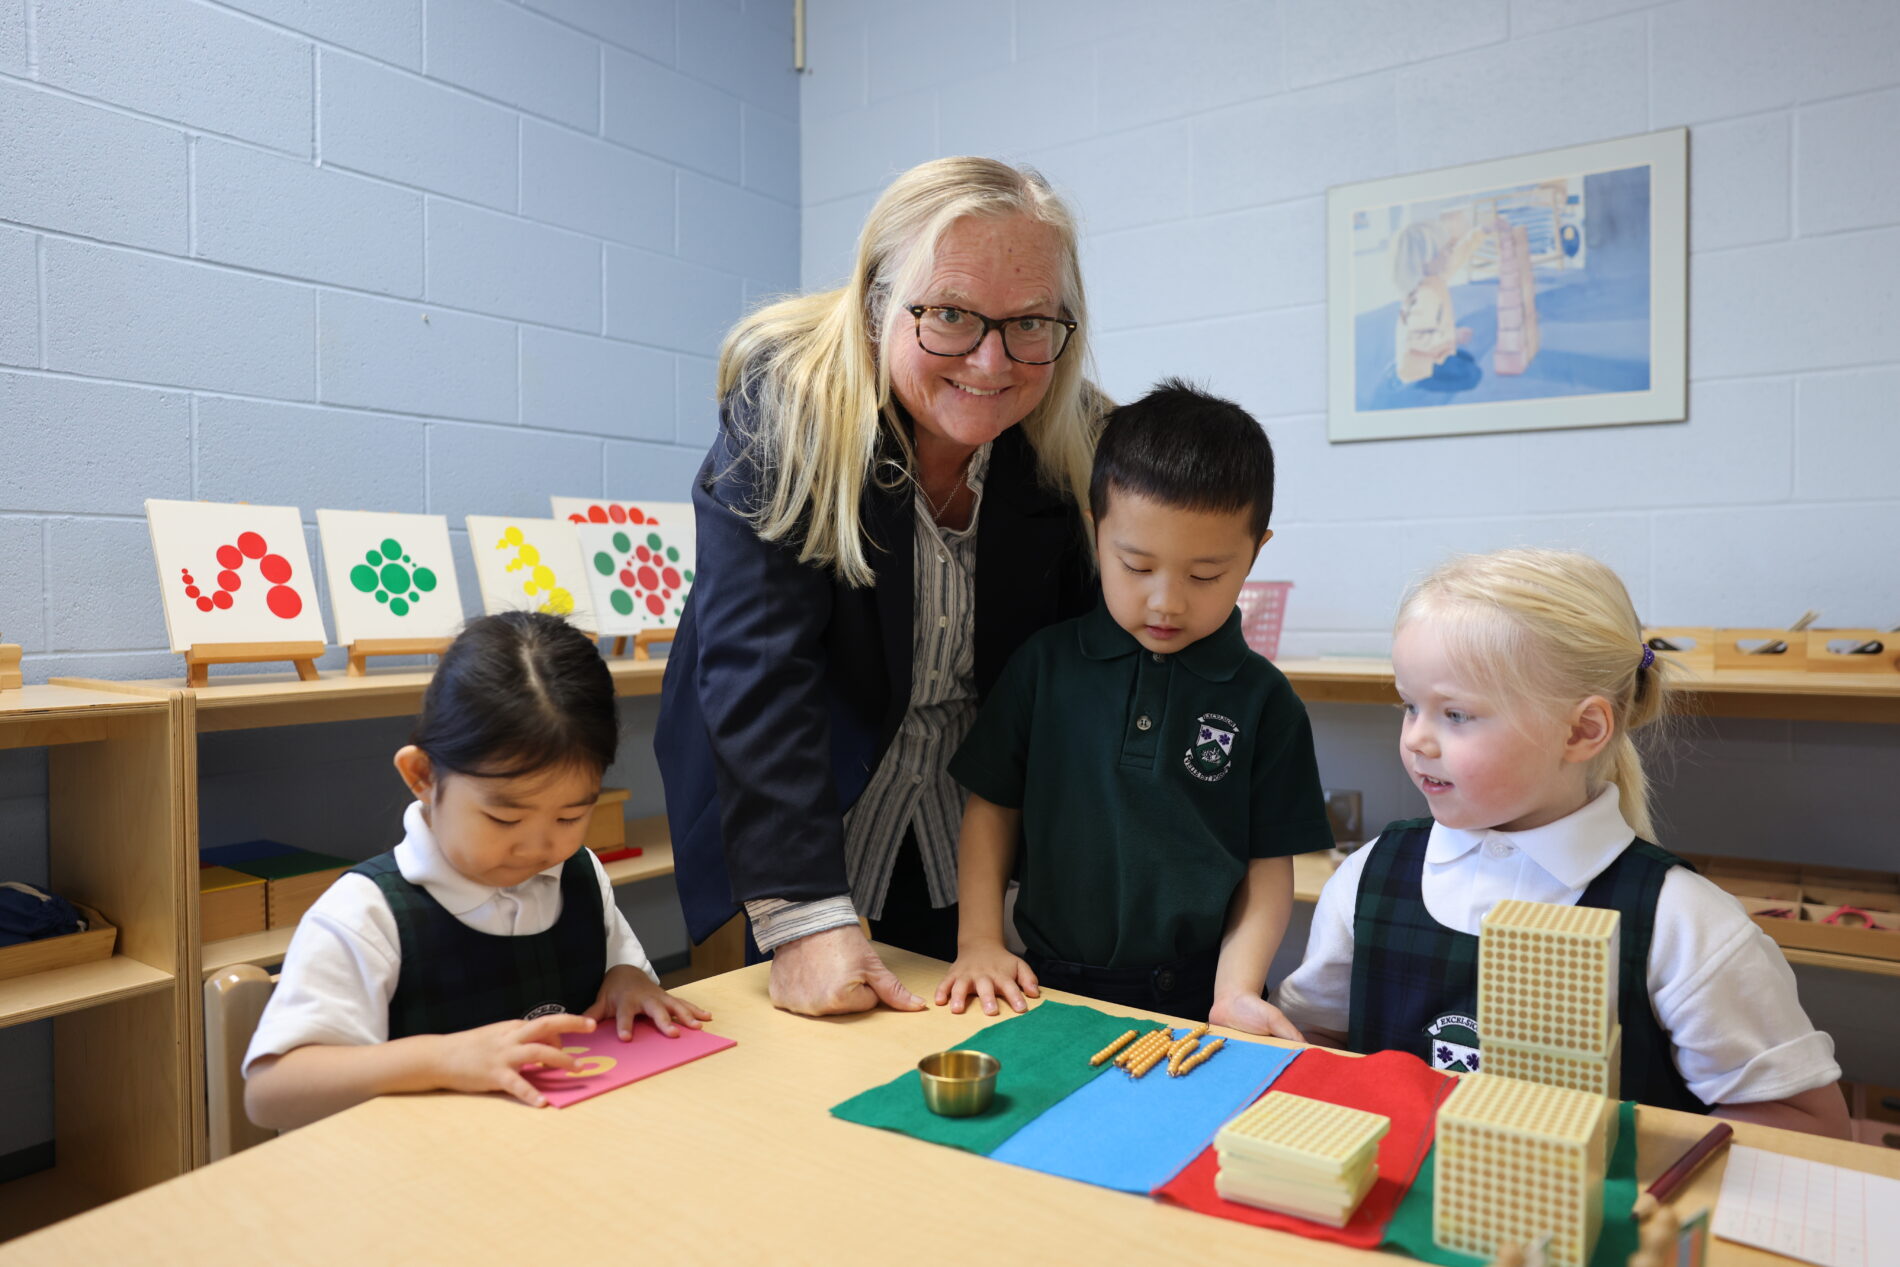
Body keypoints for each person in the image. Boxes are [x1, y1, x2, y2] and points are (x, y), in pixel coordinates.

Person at [655, 158, 1106, 1017]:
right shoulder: (789, 409)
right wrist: (803, 918)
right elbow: (758, 673)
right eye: (948, 315)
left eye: (1030, 323)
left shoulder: (1070, 440)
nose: (991, 358)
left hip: (957, 835)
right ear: (874, 307)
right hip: (792, 814)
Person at [1277, 549, 1849, 1138]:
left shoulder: (1684, 922)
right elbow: (1319, 1035)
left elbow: (1805, 1122)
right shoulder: (1371, 873)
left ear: (1581, 730)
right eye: (1409, 706)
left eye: (1456, 714)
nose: (1418, 740)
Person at [935, 381, 1332, 1032]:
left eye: (1205, 575)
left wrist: (1235, 989)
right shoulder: (1044, 666)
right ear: (1096, 534)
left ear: (1256, 549)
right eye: (1137, 566)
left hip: (1202, 998)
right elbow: (991, 808)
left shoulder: (1265, 701)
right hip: (1048, 983)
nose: (1166, 602)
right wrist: (979, 941)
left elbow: (1269, 864)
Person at [245, 612, 709, 1129]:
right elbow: (271, 1092)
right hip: (419, 1178)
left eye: (571, 815)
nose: (538, 846)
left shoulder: (577, 875)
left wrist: (627, 981)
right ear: (422, 775)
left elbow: (620, 968)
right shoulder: (366, 915)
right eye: (504, 817)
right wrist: (442, 1059)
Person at [1392, 218, 1486, 391]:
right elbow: (1417, 339)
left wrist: (1480, 233)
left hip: (1432, 352)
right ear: (1425, 260)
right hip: (1423, 367)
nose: (1449, 254)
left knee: (1467, 359)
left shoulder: (1433, 277)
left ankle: (1442, 360)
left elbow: (1458, 256)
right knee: (1473, 374)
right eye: (1443, 252)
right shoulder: (1426, 294)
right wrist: (1453, 336)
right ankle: (1417, 382)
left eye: (1448, 249)